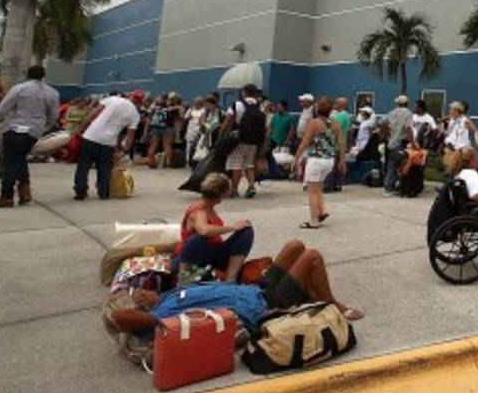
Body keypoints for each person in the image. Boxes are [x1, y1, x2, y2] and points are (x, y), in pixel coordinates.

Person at [109, 239, 364, 335]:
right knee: (312, 256)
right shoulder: (163, 316)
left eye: (139, 289)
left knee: (295, 246)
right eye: (138, 293)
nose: (141, 290)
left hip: (254, 289)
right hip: (264, 305)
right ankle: (334, 306)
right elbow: (122, 318)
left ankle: (307, 297)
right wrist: (128, 305)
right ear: (141, 306)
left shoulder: (170, 294)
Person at [0, 65, 59, 207]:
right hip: (33, 132)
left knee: (10, 163)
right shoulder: (52, 93)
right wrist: (43, 127)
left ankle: (7, 196)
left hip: (14, 129)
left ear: (28, 75)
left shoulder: (19, 88)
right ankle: (25, 191)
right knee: (20, 159)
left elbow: (3, 109)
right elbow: (53, 117)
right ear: (43, 76)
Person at [175, 173, 254, 281]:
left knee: (246, 231)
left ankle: (230, 279)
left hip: (214, 253)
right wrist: (233, 228)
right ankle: (186, 281)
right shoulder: (199, 210)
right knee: (196, 240)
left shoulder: (209, 207)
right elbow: (204, 231)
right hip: (196, 257)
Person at [72, 91, 145, 200]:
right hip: (109, 142)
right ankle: (103, 192)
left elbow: (94, 113)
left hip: (91, 136)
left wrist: (81, 127)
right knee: (104, 167)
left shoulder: (113, 99)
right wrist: (124, 151)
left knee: (83, 165)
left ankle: (80, 191)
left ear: (130, 96)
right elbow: (130, 137)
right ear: (140, 102)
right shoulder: (135, 115)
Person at [292, 97, 347, 228]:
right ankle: (322, 211)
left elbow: (305, 142)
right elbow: (341, 143)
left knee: (312, 190)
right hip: (329, 160)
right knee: (318, 187)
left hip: (316, 159)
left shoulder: (314, 123)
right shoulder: (335, 123)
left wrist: (296, 158)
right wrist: (342, 161)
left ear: (317, 109)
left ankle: (313, 220)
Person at [220, 84, 267, 198]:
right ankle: (251, 186)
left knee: (236, 165)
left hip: (239, 138)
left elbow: (227, 122)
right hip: (254, 140)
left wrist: (221, 135)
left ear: (244, 92)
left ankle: (234, 190)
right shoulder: (259, 106)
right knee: (249, 164)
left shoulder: (237, 105)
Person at [382, 95, 414, 195]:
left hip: (391, 142)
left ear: (397, 103)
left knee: (391, 164)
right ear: (407, 103)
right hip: (401, 142)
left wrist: (386, 133)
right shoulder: (408, 113)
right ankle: (393, 187)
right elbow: (408, 128)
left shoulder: (391, 112)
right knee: (399, 165)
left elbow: (381, 122)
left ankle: (389, 186)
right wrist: (412, 141)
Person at [144, 94, 176, 169]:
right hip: (167, 128)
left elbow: (148, 118)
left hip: (155, 128)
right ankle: (168, 163)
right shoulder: (170, 107)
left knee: (153, 145)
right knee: (167, 145)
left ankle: (151, 162)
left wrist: (146, 131)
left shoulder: (154, 107)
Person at [182, 97, 207, 169]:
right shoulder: (191, 109)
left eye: (198, 102)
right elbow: (186, 118)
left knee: (197, 146)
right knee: (188, 146)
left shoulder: (203, 110)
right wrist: (189, 116)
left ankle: (195, 161)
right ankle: (188, 161)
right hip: (190, 130)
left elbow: (203, 120)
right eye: (195, 102)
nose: (196, 104)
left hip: (198, 130)